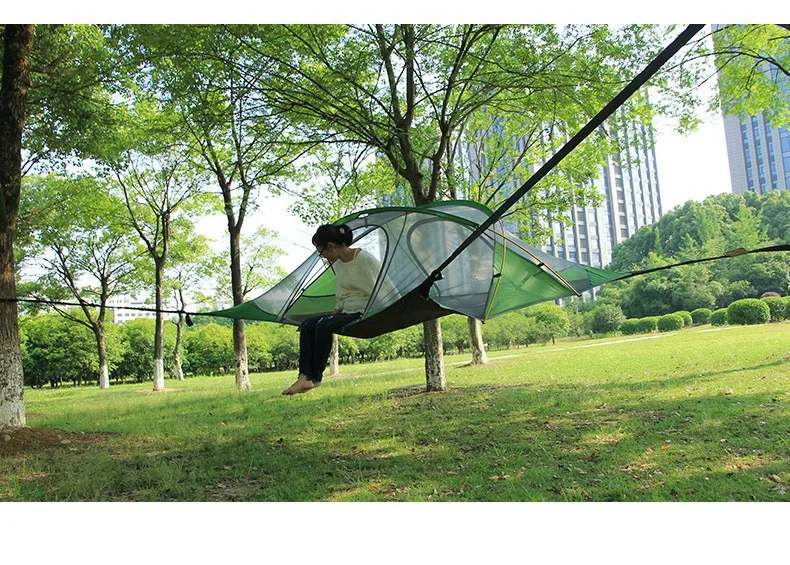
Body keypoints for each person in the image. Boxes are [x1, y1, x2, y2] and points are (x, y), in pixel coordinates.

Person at [282, 223, 383, 395]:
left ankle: (315, 379)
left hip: (365, 312)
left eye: (322, 253)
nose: (324, 258)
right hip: (347, 312)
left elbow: (384, 287)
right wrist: (336, 311)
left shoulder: (365, 259)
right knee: (307, 325)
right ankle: (304, 377)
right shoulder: (338, 265)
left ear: (331, 246)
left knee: (324, 325)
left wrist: (384, 312)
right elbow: (341, 292)